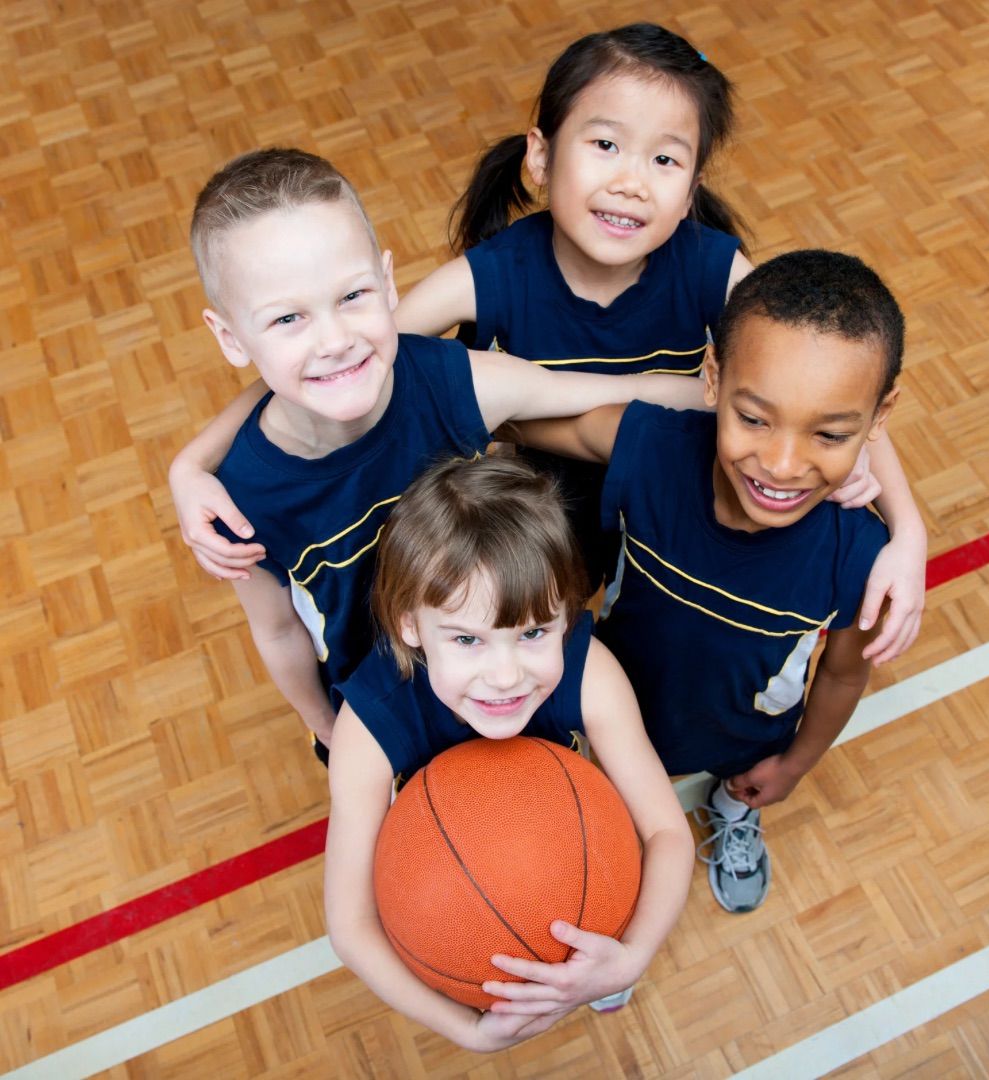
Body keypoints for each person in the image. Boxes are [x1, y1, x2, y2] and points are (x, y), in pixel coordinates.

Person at [170, 23, 925, 664]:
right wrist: (194, 462)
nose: (632, 181)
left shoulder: (713, 264)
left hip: (671, 497)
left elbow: (828, 375)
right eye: (605, 144)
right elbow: (341, 355)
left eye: (664, 159)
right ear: (540, 157)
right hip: (543, 518)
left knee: (661, 650)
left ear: (690, 187)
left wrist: (906, 526)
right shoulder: (488, 274)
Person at [177, 147, 709, 759]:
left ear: (387, 282)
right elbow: (277, 631)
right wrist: (333, 732)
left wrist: (768, 411)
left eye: (352, 297)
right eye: (289, 318)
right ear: (228, 336)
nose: (334, 340)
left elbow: (628, 392)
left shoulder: (456, 385)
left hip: (510, 678)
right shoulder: (238, 498)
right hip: (388, 720)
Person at [504, 249, 908, 915]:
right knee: (617, 812)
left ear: (879, 416)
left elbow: (840, 676)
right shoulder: (654, 447)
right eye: (754, 418)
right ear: (714, 377)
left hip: (748, 738)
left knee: (745, 781)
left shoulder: (863, 556)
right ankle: (614, 896)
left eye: (830, 435)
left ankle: (733, 809)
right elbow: (542, 421)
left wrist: (795, 763)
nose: (781, 465)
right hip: (623, 713)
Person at [324, 455, 694, 1051]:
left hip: (566, 853)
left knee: (602, 912)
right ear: (409, 625)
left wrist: (631, 956)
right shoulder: (367, 727)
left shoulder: (588, 671)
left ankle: (595, 965)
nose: (505, 675)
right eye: (468, 639)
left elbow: (667, 833)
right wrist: (466, 1030)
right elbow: (350, 924)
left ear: (566, 614)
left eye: (532, 633)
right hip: (449, 880)